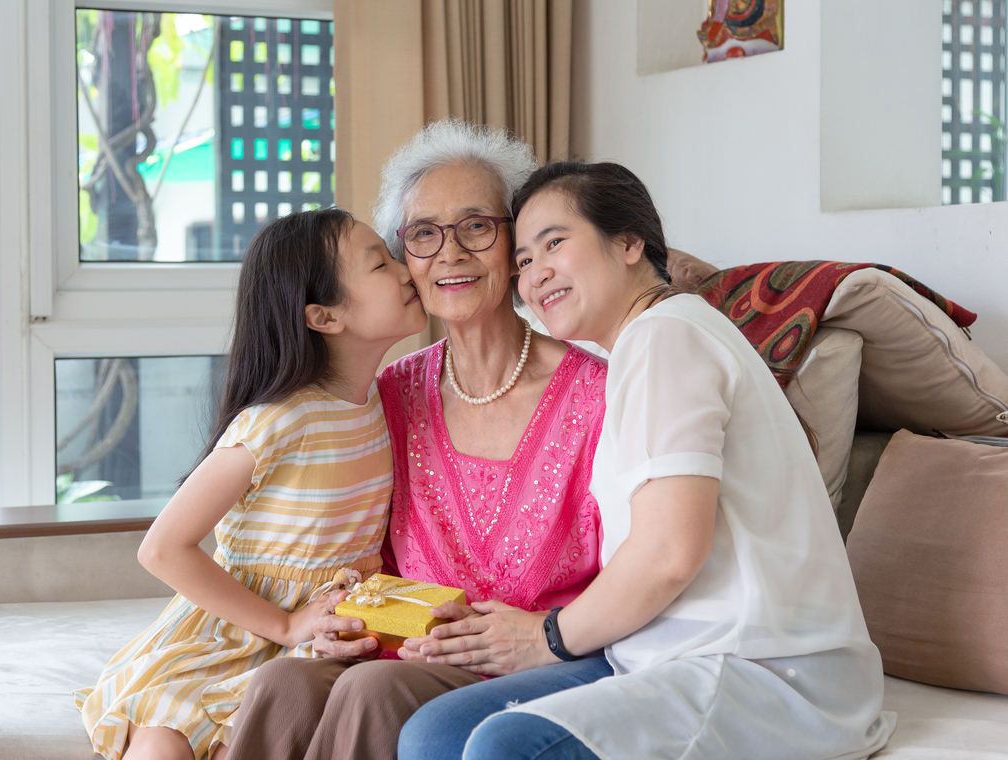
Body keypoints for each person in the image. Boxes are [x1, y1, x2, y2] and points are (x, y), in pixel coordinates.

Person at [404, 160, 897, 760]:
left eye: (555, 242)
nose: (536, 275)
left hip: (763, 670)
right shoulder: (645, 346)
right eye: (526, 260)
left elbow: (669, 554)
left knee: (503, 746)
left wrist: (547, 636)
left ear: (630, 242)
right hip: (660, 656)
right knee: (434, 734)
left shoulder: (668, 338)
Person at [225, 120, 611, 760]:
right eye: (424, 235)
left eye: (476, 226)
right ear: (405, 258)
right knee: (283, 681)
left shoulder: (598, 392)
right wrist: (338, 610)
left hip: (541, 657)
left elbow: (639, 563)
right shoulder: (388, 397)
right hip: (410, 647)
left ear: (514, 243)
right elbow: (355, 545)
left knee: (373, 689)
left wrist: (547, 631)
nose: (450, 252)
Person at [74, 208, 429, 760]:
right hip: (237, 628)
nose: (407, 269)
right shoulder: (280, 420)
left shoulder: (389, 401)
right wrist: (285, 623)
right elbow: (163, 548)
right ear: (325, 317)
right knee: (166, 733)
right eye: (380, 264)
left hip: (322, 634)